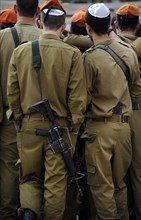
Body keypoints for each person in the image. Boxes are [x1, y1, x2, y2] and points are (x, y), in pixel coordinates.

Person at [7, 5, 86, 220]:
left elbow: (12, 92)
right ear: (63, 26)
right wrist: (74, 129)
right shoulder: (72, 54)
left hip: (29, 126)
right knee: (56, 183)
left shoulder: (20, 51)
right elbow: (77, 99)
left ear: (40, 23)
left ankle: (29, 215)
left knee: (29, 178)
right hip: (60, 129)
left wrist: (21, 121)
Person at [82, 3, 141, 220]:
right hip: (125, 129)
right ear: (110, 24)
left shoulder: (89, 58)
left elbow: (83, 100)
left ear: (88, 28)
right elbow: (137, 93)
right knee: (120, 186)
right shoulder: (128, 54)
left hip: (100, 129)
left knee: (102, 189)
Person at [0, 0, 41, 219]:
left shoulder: (1, 39)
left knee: (9, 171)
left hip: (8, 117)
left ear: (15, 9)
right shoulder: (47, 38)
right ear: (37, 11)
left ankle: (7, 215)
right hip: (41, 118)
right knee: (37, 173)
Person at [116, 3, 141, 219]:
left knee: (119, 177)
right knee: (140, 175)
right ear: (137, 25)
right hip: (139, 115)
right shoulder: (139, 46)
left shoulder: (110, 45)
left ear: (117, 23)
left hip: (115, 116)